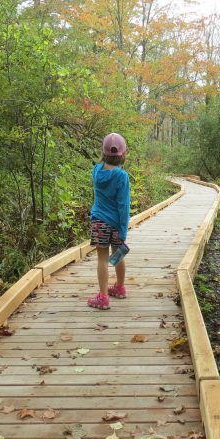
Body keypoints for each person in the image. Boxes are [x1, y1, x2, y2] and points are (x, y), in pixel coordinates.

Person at [88, 133, 130, 310]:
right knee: (118, 254)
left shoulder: (96, 171)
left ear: (103, 152)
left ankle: (103, 296)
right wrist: (123, 230)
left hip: (99, 221)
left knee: (103, 259)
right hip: (116, 223)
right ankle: (120, 287)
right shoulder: (122, 176)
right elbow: (123, 205)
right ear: (123, 153)